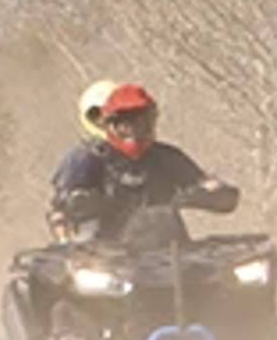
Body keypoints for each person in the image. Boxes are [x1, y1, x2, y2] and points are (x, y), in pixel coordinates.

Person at [48, 78, 240, 241]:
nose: (134, 131)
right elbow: (62, 204)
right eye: (125, 125)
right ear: (109, 126)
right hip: (100, 254)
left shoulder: (166, 157)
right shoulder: (86, 158)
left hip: (169, 253)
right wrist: (78, 202)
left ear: (152, 122)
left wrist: (213, 193)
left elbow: (205, 183)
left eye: (141, 123)